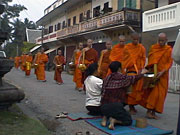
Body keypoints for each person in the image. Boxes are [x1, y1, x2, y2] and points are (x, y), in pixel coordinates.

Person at [101, 61, 147, 130]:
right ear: (119, 69)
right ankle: (114, 121)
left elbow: (102, 91)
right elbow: (134, 78)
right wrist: (142, 73)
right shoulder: (123, 78)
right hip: (116, 106)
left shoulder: (107, 78)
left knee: (110, 105)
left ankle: (105, 117)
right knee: (128, 120)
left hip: (103, 107)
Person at [141, 33, 173, 119]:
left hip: (163, 75)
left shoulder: (169, 50)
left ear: (166, 40)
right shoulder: (154, 48)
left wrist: (163, 71)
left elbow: (169, 62)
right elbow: (151, 60)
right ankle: (149, 111)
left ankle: (153, 112)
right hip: (154, 75)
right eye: (159, 40)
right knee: (154, 94)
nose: (161, 42)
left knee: (161, 95)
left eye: (163, 41)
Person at [123, 32, 146, 115]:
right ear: (131, 39)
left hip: (139, 71)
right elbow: (125, 60)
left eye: (137, 39)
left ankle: (134, 105)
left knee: (138, 90)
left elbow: (143, 59)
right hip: (130, 71)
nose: (136, 41)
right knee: (130, 90)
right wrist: (131, 62)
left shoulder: (141, 48)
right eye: (134, 39)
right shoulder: (127, 48)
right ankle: (131, 107)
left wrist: (141, 68)